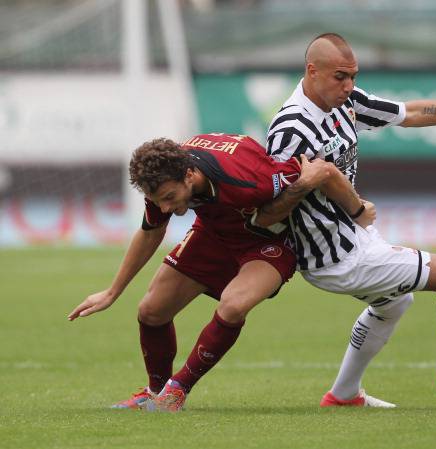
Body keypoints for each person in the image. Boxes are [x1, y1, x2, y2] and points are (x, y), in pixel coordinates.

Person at [265, 33, 436, 408]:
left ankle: (343, 395)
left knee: (395, 303)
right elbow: (271, 207)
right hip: (333, 258)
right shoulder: (290, 130)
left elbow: (412, 113)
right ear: (312, 71)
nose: (349, 85)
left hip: (357, 236)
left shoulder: (345, 101)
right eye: (341, 76)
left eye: (353, 76)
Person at [68, 132, 373, 412]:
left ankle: (176, 391)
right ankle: (155, 393)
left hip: (269, 243)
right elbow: (151, 231)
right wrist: (112, 292)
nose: (164, 208)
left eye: (170, 198)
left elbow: (320, 171)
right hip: (214, 233)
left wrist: (357, 210)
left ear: (190, 175)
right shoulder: (161, 177)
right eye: (158, 201)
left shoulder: (251, 178)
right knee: (151, 310)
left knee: (233, 305)